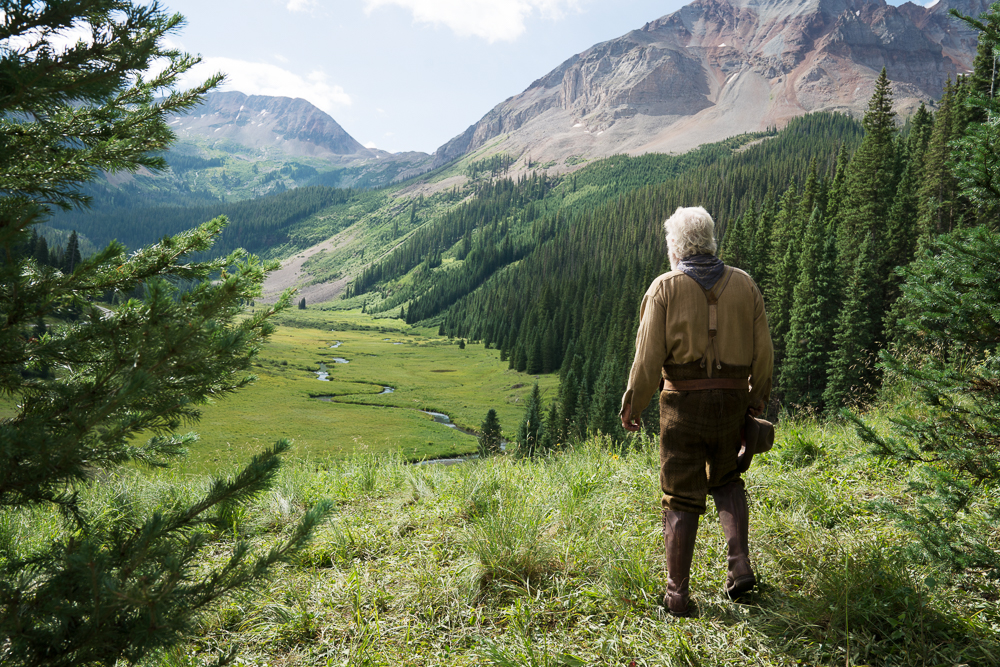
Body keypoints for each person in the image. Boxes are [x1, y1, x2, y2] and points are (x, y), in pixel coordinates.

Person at [620, 206, 773, 617]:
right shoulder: (745, 284)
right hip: (732, 401)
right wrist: (755, 400)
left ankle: (677, 596)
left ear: (676, 246)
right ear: (709, 240)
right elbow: (764, 354)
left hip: (681, 407)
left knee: (680, 495)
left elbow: (648, 358)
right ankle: (739, 563)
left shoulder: (664, 287)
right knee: (726, 479)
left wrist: (635, 402)